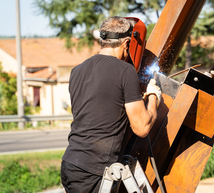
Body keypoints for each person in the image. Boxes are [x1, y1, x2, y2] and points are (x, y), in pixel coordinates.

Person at [60, 16, 161, 193]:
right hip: (94, 169)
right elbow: (142, 127)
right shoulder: (125, 70)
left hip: (70, 163)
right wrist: (153, 97)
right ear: (127, 43)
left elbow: (103, 107)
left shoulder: (77, 70)